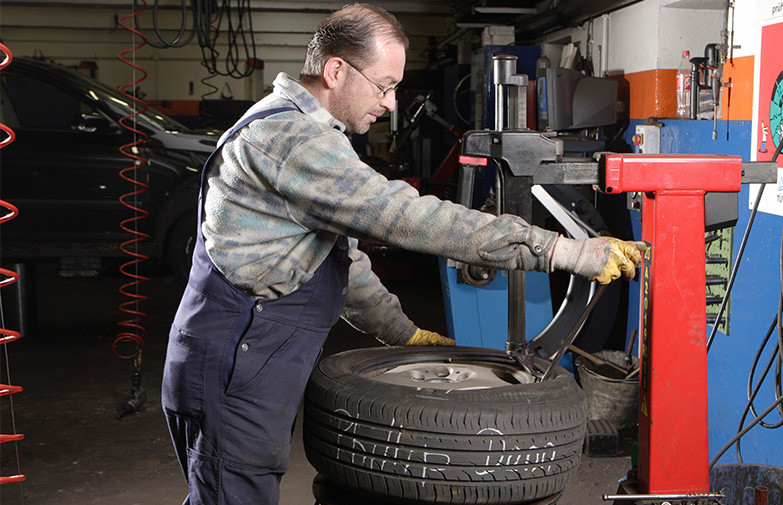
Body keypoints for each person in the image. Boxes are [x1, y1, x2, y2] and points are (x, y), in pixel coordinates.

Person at [161, 3, 647, 504]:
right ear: (335, 71)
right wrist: (561, 251)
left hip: (252, 360)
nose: (391, 103)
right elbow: (406, 216)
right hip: (234, 361)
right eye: (385, 86)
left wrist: (402, 332)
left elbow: (338, 259)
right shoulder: (287, 139)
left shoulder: (312, 136)